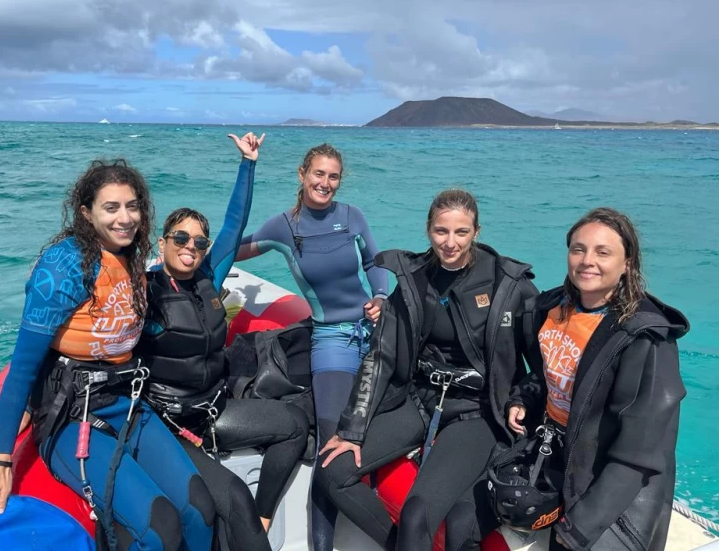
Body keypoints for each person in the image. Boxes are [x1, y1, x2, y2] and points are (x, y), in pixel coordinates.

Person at [0, 159, 215, 551]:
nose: (125, 218)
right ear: (86, 213)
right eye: (111, 207)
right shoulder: (64, 265)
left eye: (133, 206)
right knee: (160, 529)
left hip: (128, 403)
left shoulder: (131, 256)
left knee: (201, 509)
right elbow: (22, 365)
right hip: (73, 414)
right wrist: (0, 460)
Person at [318, 188, 539, 551]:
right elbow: (380, 355)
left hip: (475, 412)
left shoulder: (509, 285)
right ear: (428, 230)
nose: (450, 242)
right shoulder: (414, 278)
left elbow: (539, 369)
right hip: (419, 400)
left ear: (476, 232)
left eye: (461, 232)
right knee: (333, 471)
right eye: (441, 231)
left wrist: (520, 400)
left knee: (416, 513)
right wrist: (352, 429)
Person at [139, 132, 310, 551]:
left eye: (198, 241)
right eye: (180, 238)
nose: (190, 247)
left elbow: (234, 225)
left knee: (294, 426)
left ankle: (267, 513)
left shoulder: (208, 279)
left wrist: (248, 164)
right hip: (169, 425)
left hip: (214, 410)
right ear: (162, 244)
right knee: (232, 499)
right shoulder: (143, 291)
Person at [235, 143, 389, 551]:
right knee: (331, 446)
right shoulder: (283, 227)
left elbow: (375, 264)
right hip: (332, 340)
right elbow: (233, 250)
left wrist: (382, 298)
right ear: (302, 174)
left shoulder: (352, 216)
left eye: (333, 176)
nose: (325, 183)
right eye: (318, 174)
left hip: (376, 334)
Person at [504, 208, 687, 551]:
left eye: (603, 252)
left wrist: (579, 528)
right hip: (556, 450)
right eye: (578, 249)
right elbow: (551, 373)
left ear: (627, 262)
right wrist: (523, 397)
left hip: (609, 478)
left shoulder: (645, 338)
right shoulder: (553, 308)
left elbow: (639, 453)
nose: (588, 261)